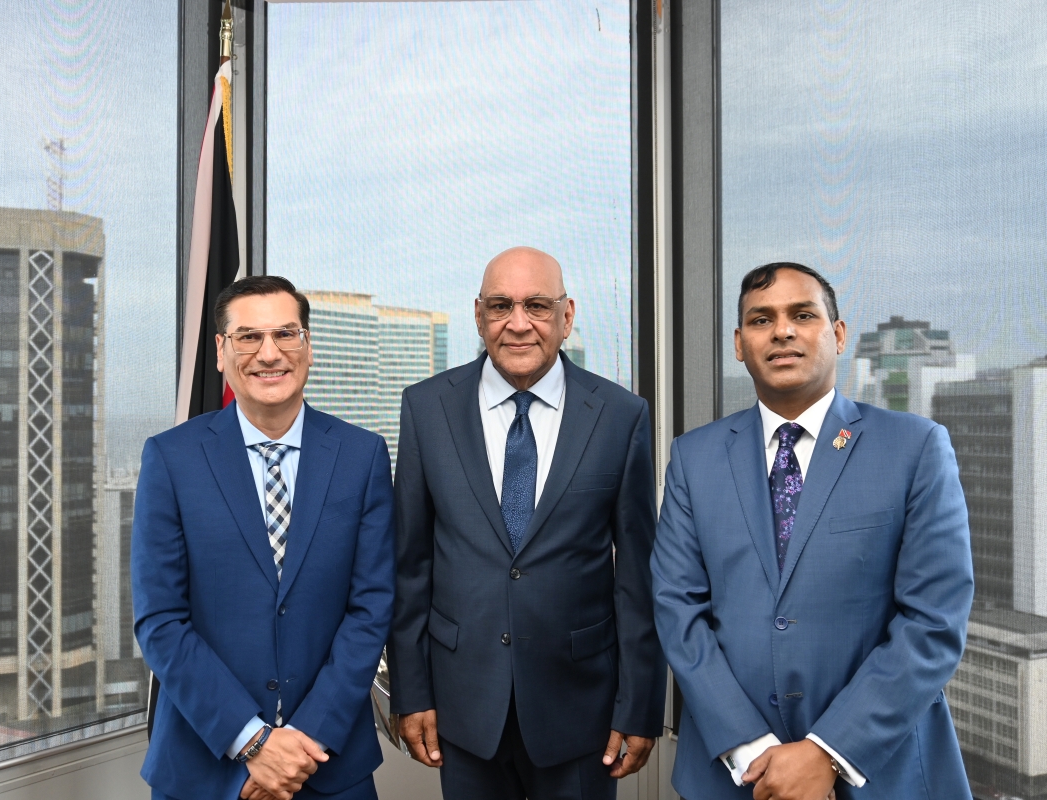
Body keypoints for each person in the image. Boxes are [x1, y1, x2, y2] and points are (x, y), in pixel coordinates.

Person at [651, 262, 974, 800]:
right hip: (733, 777)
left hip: (882, 773)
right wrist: (754, 752)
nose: (782, 331)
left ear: (838, 333)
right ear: (739, 343)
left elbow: (934, 620)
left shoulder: (915, 448)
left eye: (803, 315)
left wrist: (827, 752)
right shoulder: (693, 458)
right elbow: (677, 610)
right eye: (761, 319)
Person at [388, 246, 668, 800]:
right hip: (462, 706)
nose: (518, 324)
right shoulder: (425, 409)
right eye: (500, 306)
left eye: (537, 305)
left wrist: (640, 706)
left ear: (567, 317)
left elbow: (639, 578)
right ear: (478, 315)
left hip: (581, 711)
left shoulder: (620, 415)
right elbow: (409, 565)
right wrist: (411, 692)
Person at [133, 276, 395, 800]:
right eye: (249, 337)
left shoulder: (362, 456)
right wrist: (253, 742)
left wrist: (300, 743)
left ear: (308, 346)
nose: (269, 353)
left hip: (327, 763)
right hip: (203, 768)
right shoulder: (171, 459)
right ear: (221, 352)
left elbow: (371, 610)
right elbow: (160, 620)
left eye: (286, 334)